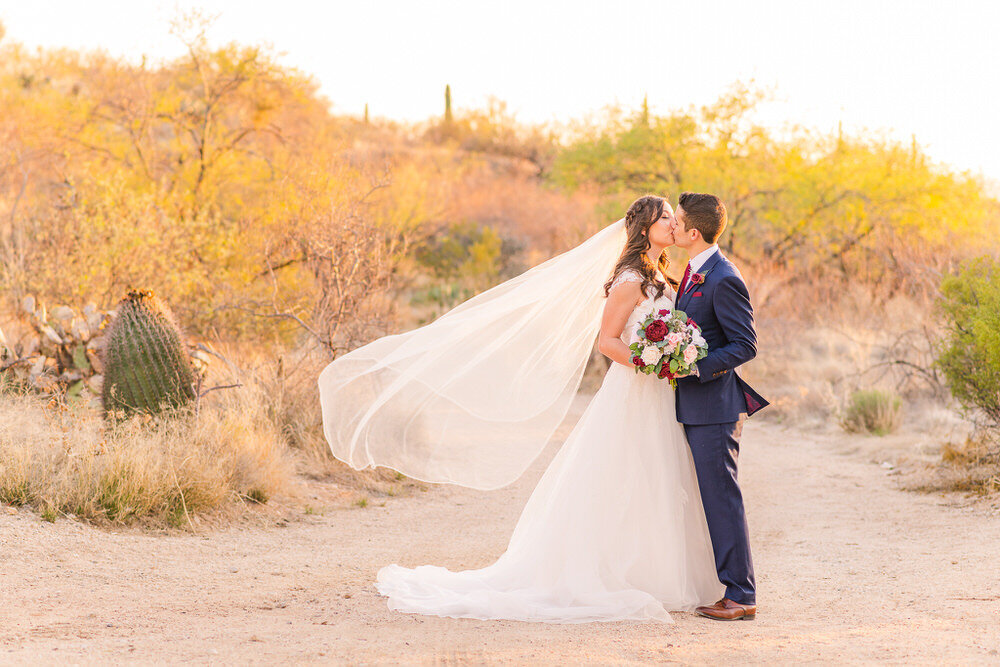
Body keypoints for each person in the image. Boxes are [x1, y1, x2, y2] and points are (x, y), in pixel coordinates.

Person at [318, 194, 765, 623]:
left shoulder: (674, 274)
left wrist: (675, 362)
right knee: (625, 478)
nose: (672, 223)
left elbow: (721, 338)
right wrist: (654, 364)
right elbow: (608, 341)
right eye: (665, 217)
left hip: (669, 398)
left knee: (668, 482)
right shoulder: (633, 277)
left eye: (676, 217)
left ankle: (706, 584)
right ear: (646, 228)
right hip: (640, 390)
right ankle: (632, 575)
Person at [670, 192, 769, 621]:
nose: (671, 226)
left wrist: (695, 368)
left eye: (676, 221)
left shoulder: (724, 276)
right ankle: (732, 588)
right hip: (694, 407)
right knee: (710, 498)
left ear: (693, 232)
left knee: (722, 498)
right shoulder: (692, 271)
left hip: (715, 406)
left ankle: (741, 594)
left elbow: (745, 345)